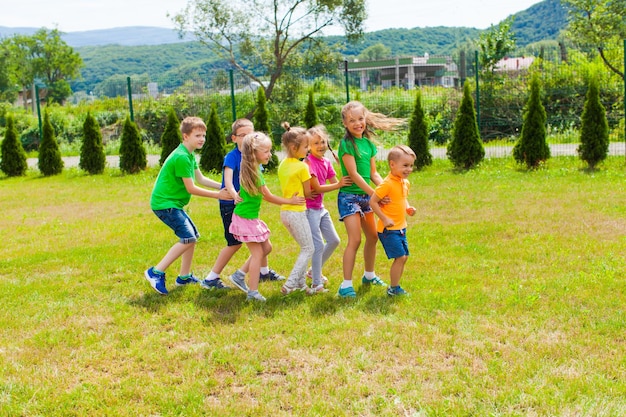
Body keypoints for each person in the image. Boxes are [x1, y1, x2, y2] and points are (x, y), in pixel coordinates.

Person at [145, 116, 231, 295]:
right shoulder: (182, 157)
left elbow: (201, 179)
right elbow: (191, 188)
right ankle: (155, 272)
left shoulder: (189, 155)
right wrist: (218, 195)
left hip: (172, 204)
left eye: (203, 135)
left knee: (192, 236)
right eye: (197, 135)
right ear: (185, 136)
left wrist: (225, 187)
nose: (202, 139)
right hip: (165, 204)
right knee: (188, 238)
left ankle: (184, 277)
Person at [201, 118, 284, 292]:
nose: (248, 138)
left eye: (251, 134)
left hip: (248, 205)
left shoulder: (254, 157)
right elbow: (228, 181)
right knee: (234, 244)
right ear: (234, 138)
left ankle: (263, 272)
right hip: (231, 204)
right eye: (243, 135)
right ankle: (211, 278)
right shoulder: (232, 157)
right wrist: (233, 195)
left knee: (260, 240)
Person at [336, 101, 405, 298]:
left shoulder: (368, 145)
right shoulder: (346, 144)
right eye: (352, 120)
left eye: (360, 119)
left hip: (366, 197)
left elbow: (374, 174)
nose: (357, 123)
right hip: (349, 198)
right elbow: (355, 174)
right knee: (355, 239)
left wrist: (384, 188)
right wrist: (374, 194)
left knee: (373, 237)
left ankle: (369, 275)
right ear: (345, 123)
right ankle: (345, 285)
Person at [229, 132, 305, 302]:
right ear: (254, 153)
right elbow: (269, 197)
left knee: (266, 248)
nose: (270, 154)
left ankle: (239, 275)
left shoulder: (250, 168)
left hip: (247, 216)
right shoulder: (255, 174)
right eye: (266, 151)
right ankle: (253, 292)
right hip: (246, 219)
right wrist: (290, 201)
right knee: (257, 255)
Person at [304, 125, 352, 293]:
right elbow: (316, 188)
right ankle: (316, 283)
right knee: (317, 245)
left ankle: (312, 272)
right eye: (316, 143)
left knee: (334, 240)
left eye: (323, 141)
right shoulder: (308, 163)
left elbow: (335, 182)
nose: (320, 145)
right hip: (309, 209)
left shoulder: (326, 161)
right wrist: (338, 184)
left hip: (320, 208)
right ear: (308, 146)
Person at [369, 145, 416, 296]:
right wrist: (384, 218)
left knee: (404, 257)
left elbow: (403, 199)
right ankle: (394, 288)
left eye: (411, 166)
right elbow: (373, 202)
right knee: (400, 257)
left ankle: (395, 287)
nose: (409, 169)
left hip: (401, 227)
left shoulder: (404, 183)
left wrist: (408, 208)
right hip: (388, 229)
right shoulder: (387, 184)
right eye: (405, 165)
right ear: (392, 164)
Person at [277, 123, 315, 295]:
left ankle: (300, 285)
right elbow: (308, 192)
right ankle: (290, 283)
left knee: (304, 247)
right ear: (294, 147)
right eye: (306, 146)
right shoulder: (302, 167)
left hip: (285, 212)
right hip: (297, 212)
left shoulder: (283, 164)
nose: (308, 150)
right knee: (309, 248)